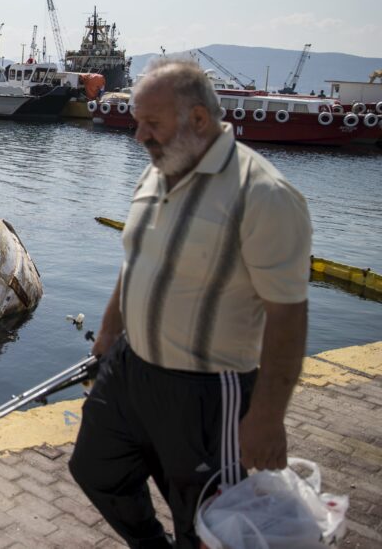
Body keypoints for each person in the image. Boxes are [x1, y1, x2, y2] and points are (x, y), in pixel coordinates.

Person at [69, 58, 312, 549]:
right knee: (95, 468)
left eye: (151, 123)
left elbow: (288, 315)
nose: (140, 136)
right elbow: (134, 260)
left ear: (198, 119)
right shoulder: (159, 172)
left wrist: (267, 417)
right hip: (130, 370)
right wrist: (110, 333)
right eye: (137, 122)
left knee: (207, 522)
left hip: (206, 394)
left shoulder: (262, 195)